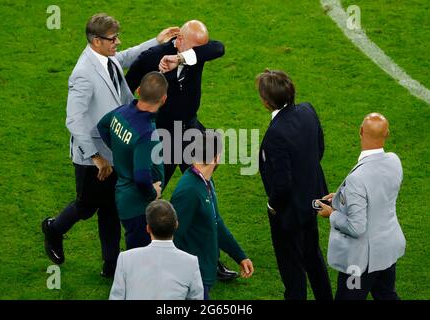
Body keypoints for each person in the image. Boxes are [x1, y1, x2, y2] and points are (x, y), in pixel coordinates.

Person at [41, 12, 179, 277]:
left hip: (115, 148)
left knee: (110, 208)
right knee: (87, 205)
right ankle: (54, 229)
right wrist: (96, 157)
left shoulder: (105, 57)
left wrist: (157, 41)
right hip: (93, 156)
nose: (117, 42)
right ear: (96, 41)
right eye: (113, 38)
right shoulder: (83, 74)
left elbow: (126, 56)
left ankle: (111, 264)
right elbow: (73, 118)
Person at [126, 19, 237, 281]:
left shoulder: (194, 54)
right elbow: (128, 85)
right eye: (194, 47)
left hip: (189, 131)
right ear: (179, 38)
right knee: (149, 197)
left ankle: (211, 257)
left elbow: (217, 49)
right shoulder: (153, 57)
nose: (200, 52)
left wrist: (183, 59)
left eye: (201, 48)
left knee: (204, 195)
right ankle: (145, 261)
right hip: (160, 137)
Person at [257, 69, 333, 300]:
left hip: (288, 212)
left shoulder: (275, 134)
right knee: (313, 256)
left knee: (292, 271)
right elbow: (318, 149)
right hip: (313, 200)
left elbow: (281, 185)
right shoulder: (308, 111)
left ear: (267, 102)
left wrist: (272, 206)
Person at [316, 113, 406, 300]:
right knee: (386, 295)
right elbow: (378, 195)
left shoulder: (357, 178)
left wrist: (332, 214)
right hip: (387, 251)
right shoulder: (394, 161)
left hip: (358, 263)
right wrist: (345, 197)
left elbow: (356, 227)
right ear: (387, 134)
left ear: (360, 131)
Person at [170, 131, 254, 299]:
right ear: (217, 158)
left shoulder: (205, 180)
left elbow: (216, 222)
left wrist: (239, 255)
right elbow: (174, 237)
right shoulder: (189, 191)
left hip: (204, 271)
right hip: (192, 277)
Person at [97, 71, 166, 250]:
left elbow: (102, 125)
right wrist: (153, 193)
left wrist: (121, 151)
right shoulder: (146, 134)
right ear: (164, 99)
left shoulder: (122, 112)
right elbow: (142, 177)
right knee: (140, 259)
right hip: (137, 205)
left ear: (138, 91)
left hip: (125, 196)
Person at [109, 199, 204, 300]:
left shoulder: (126, 258)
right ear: (176, 225)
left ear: (148, 228)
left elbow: (116, 297)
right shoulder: (191, 262)